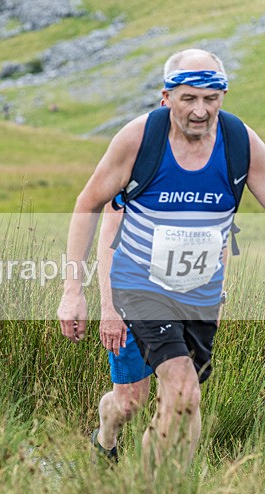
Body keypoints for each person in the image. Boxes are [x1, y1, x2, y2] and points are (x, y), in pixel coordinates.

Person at [57, 49, 265, 470]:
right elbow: (89, 204)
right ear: (166, 97)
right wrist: (75, 292)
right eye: (189, 98)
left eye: (212, 98)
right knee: (179, 391)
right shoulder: (140, 140)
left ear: (223, 95)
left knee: (177, 400)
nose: (201, 111)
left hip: (200, 296)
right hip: (139, 286)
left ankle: (136, 465)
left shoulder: (241, 143)